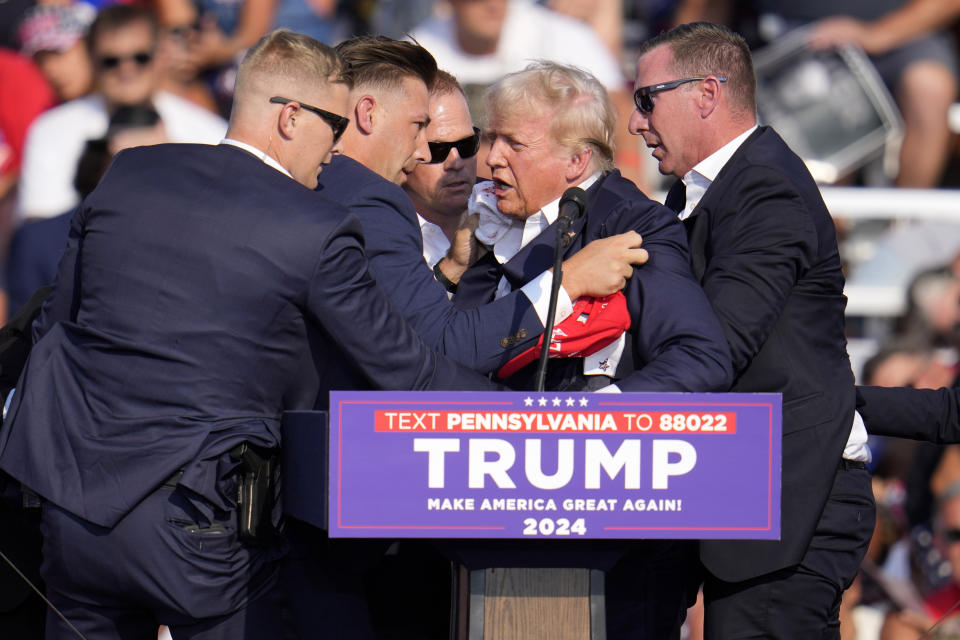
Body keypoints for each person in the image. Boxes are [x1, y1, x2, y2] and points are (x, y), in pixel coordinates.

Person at [0, 28, 498, 639]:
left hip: (74, 508)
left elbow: (58, 327)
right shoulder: (316, 224)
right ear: (291, 118)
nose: (336, 151)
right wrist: (533, 420)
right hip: (199, 526)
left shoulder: (131, 173)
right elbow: (407, 369)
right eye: (334, 128)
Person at [452, 60, 732, 638]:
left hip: (613, 549)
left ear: (576, 162)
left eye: (513, 143)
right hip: (496, 531)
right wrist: (456, 263)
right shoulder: (487, 224)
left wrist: (586, 417)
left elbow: (701, 358)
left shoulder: (635, 225)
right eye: (489, 136)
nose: (490, 158)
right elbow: (453, 353)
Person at [629, 22, 875, 637]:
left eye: (645, 100)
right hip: (741, 488)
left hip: (794, 498)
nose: (636, 122)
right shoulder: (699, 193)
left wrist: (602, 409)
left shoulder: (764, 187)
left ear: (705, 94)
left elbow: (716, 345)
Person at [16, 4, 226, 223]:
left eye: (140, 57)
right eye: (111, 61)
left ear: (160, 56)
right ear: (92, 61)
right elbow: (39, 234)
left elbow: (218, 223)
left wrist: (170, 166)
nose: (126, 70)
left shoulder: (210, 133)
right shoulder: (51, 131)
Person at [402, 69, 479, 269]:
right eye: (436, 150)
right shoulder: (375, 233)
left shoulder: (507, 215)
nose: (455, 161)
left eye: (467, 144)